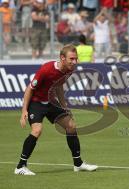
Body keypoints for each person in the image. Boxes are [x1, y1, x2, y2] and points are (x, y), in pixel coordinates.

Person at [14, 44, 98, 175]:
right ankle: (20, 166)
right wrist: (24, 110)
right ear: (62, 58)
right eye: (71, 59)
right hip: (36, 103)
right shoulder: (46, 69)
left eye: (76, 58)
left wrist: (64, 106)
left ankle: (78, 164)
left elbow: (59, 86)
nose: (75, 61)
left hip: (51, 102)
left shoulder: (70, 70)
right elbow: (30, 89)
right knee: (37, 130)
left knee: (71, 126)